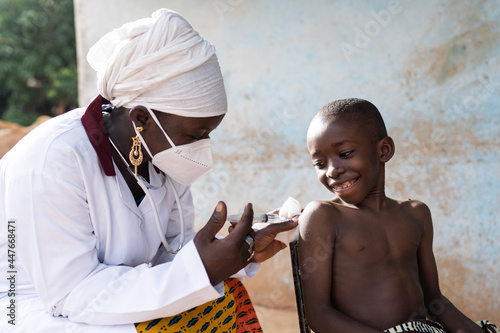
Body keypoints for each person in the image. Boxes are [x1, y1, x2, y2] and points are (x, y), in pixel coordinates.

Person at [0, 9, 297, 332]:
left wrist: (241, 249)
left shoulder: (158, 155)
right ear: (141, 119)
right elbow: (74, 294)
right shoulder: (52, 163)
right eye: (196, 135)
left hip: (98, 297)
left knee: (227, 296)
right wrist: (200, 270)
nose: (203, 146)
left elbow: (169, 249)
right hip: (30, 308)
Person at [299, 98, 498, 333]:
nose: (332, 170)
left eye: (345, 153)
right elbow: (319, 316)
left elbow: (435, 300)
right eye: (320, 163)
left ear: (384, 150)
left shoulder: (416, 213)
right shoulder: (324, 216)